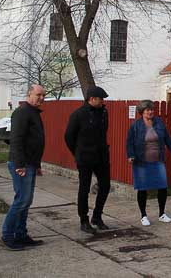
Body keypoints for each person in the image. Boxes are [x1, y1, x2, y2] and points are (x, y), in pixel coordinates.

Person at [1, 84, 46, 250]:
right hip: (22, 164)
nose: (41, 98)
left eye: (43, 95)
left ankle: (20, 234)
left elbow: (34, 141)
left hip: (30, 163)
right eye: (38, 95)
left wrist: (37, 164)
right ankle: (8, 235)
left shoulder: (33, 113)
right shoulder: (22, 112)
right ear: (29, 94)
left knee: (26, 201)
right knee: (21, 200)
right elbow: (16, 139)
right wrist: (20, 164)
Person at [126, 100, 171, 226]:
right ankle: (143, 216)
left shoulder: (159, 123)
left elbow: (167, 139)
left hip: (158, 160)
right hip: (141, 161)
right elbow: (129, 142)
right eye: (148, 110)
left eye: (152, 109)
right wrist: (130, 155)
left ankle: (162, 214)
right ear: (142, 112)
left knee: (162, 187)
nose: (150, 112)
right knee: (142, 188)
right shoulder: (135, 126)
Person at [64, 85, 111, 234]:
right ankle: (84, 220)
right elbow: (68, 136)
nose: (103, 101)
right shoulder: (78, 114)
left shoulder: (103, 112)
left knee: (105, 185)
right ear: (92, 99)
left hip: (101, 156)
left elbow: (103, 133)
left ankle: (97, 216)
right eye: (100, 99)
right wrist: (77, 152)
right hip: (85, 157)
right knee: (84, 188)